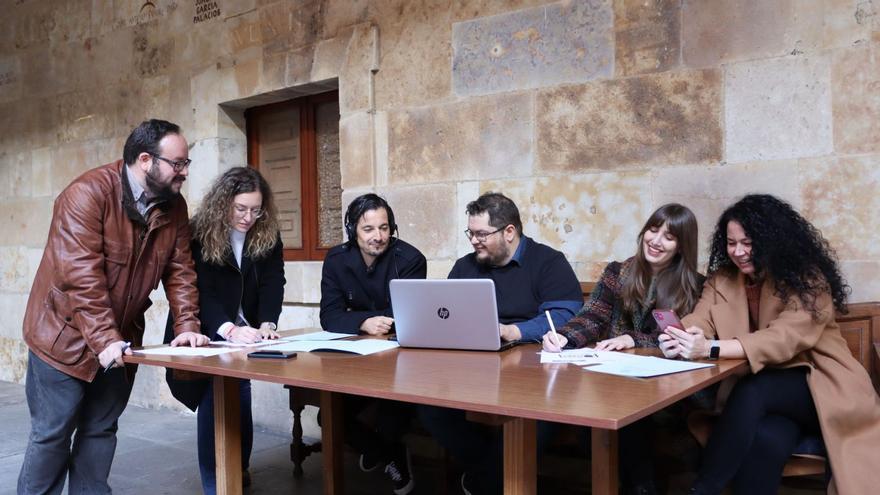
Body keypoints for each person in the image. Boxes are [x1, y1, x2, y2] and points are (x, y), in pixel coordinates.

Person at [18, 119, 209, 494]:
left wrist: (187, 324)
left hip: (119, 342)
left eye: (186, 163)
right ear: (144, 160)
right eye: (178, 163)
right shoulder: (87, 194)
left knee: (100, 431)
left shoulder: (175, 206)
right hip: (63, 341)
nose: (185, 172)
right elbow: (81, 277)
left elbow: (181, 269)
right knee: (51, 436)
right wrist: (105, 339)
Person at [659, 194, 880, 495]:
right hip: (765, 405)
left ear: (772, 238)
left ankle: (702, 490)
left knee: (754, 388)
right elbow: (700, 319)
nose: (738, 252)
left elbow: (782, 339)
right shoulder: (722, 279)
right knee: (766, 438)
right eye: (731, 242)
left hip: (824, 390)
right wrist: (679, 336)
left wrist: (710, 348)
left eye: (748, 242)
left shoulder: (808, 279)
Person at [421, 192, 583, 495]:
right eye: (471, 233)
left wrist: (513, 331)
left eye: (482, 234)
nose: (473, 241)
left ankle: (488, 481)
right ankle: (490, 475)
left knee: (537, 416)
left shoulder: (548, 262)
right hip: (473, 369)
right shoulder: (465, 266)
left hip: (532, 371)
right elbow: (444, 311)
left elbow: (566, 314)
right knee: (430, 406)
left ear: (509, 231)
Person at [542, 203, 703, 495]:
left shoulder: (694, 286)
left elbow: (677, 339)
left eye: (669, 237)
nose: (656, 241)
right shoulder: (619, 272)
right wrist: (564, 336)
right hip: (611, 380)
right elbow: (594, 314)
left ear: (681, 246)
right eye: (653, 231)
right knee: (585, 413)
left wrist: (633, 339)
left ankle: (641, 487)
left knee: (633, 418)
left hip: (666, 389)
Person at [164, 167, 285, 494]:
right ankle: (217, 482)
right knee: (213, 399)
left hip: (246, 333)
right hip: (204, 330)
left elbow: (274, 282)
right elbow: (199, 288)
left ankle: (237, 467)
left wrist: (268, 323)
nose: (248, 217)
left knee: (239, 397)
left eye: (255, 209)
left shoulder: (267, 233)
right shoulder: (200, 233)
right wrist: (229, 329)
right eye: (240, 209)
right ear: (224, 204)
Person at [319, 193, 427, 495]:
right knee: (328, 415)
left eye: (384, 228)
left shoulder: (411, 259)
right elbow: (329, 315)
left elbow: (405, 317)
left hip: (400, 363)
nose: (378, 237)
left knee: (391, 418)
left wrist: (356, 316)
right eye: (368, 229)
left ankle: (386, 450)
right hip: (353, 360)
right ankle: (389, 454)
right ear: (352, 229)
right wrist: (363, 322)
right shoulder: (337, 259)